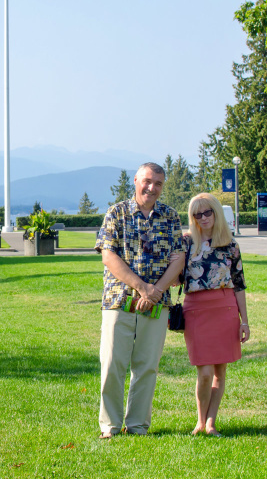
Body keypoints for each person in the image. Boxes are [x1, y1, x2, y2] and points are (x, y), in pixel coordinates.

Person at [95, 162, 186, 439]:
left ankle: (137, 426)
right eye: (147, 181)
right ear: (136, 181)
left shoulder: (170, 217)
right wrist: (142, 288)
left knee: (147, 366)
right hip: (119, 300)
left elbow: (178, 258)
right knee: (112, 364)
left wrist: (155, 290)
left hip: (157, 303)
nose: (152, 187)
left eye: (158, 183)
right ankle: (109, 426)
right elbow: (109, 256)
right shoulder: (117, 213)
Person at [180, 193, 250, 437]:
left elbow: (239, 285)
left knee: (220, 372)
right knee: (205, 372)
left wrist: (245, 321)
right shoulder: (186, 242)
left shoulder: (230, 245)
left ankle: (211, 423)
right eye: (197, 214)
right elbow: (175, 276)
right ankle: (200, 422)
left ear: (216, 212)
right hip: (196, 310)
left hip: (225, 307)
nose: (203, 218)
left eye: (207, 212)